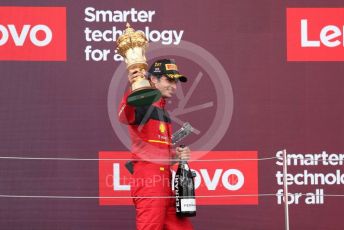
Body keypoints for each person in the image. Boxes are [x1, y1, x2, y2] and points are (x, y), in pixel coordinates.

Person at [118, 59, 194, 230]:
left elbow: (158, 152)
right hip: (149, 183)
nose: (174, 87)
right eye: (169, 80)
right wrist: (133, 88)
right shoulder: (142, 103)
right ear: (154, 80)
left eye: (176, 82)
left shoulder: (163, 111)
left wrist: (176, 156)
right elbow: (123, 116)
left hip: (166, 183)